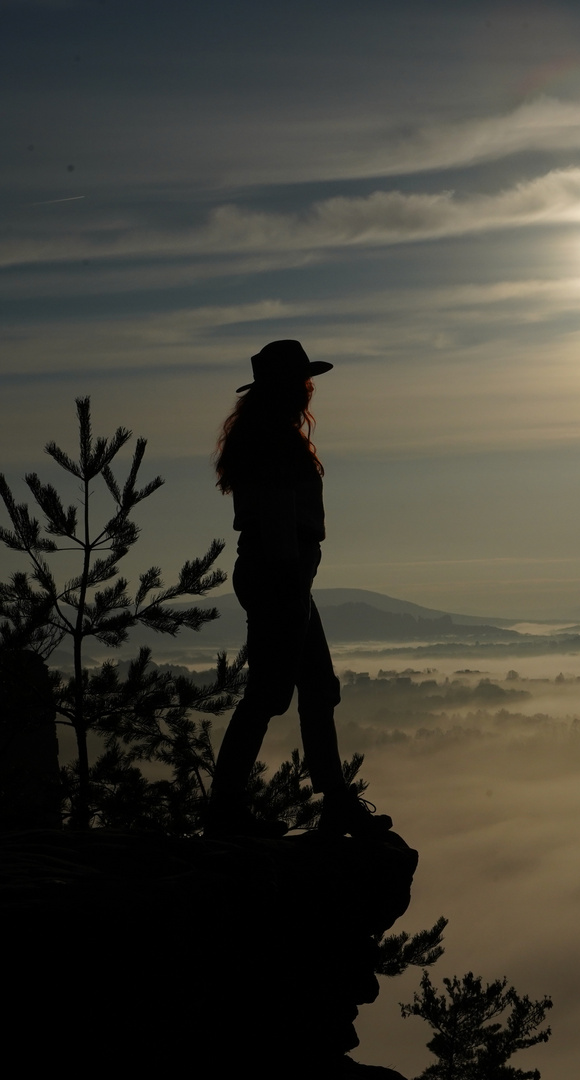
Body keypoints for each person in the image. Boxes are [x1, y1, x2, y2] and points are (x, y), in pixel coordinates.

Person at [205, 340, 389, 838]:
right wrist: (291, 583)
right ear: (289, 388)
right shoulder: (278, 444)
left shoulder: (266, 438)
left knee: (314, 688)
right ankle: (227, 811)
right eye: (303, 382)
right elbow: (282, 517)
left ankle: (334, 801)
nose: (309, 391)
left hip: (279, 576)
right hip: (280, 576)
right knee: (271, 694)